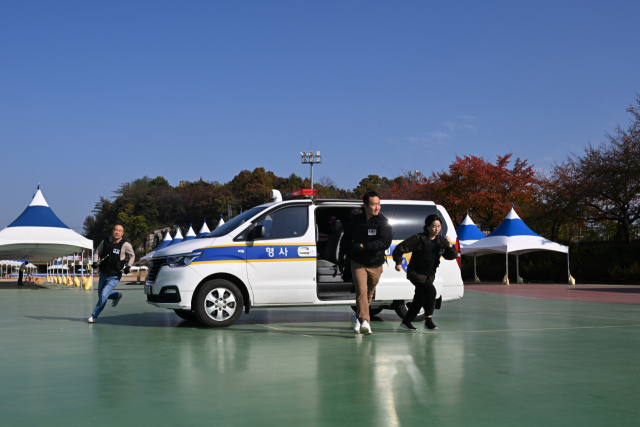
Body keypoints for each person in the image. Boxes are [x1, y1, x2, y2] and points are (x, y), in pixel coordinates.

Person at [338, 191, 392, 335]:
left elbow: (385, 242)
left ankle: (357, 316)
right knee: (361, 291)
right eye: (374, 204)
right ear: (366, 205)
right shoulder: (355, 221)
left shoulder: (383, 222)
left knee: (368, 294)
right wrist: (341, 255)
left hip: (376, 263)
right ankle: (365, 322)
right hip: (358, 262)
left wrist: (365, 246)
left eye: (379, 204)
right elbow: (346, 238)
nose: (377, 207)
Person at [392, 214, 458, 331]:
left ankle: (406, 321)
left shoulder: (441, 241)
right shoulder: (418, 239)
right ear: (427, 227)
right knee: (431, 292)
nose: (437, 229)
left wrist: (449, 246)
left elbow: (450, 257)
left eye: (438, 226)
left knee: (419, 299)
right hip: (416, 273)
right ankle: (428, 320)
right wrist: (398, 262)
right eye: (433, 226)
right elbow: (400, 248)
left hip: (429, 274)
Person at [88, 223, 135, 323]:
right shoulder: (105, 241)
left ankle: (94, 316)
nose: (117, 232)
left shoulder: (125, 244)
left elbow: (132, 256)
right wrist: (95, 262)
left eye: (119, 231)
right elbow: (97, 252)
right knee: (101, 295)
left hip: (115, 276)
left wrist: (128, 266)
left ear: (122, 233)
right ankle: (116, 295)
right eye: (115, 230)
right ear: (112, 231)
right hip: (103, 274)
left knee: (104, 295)